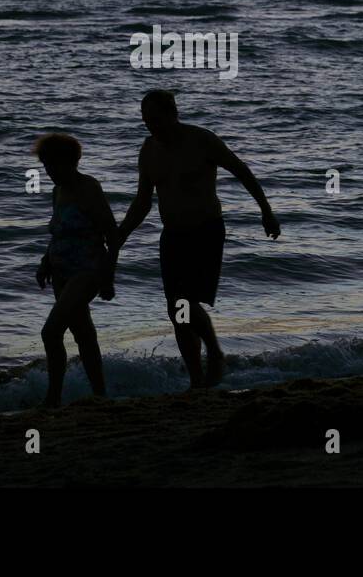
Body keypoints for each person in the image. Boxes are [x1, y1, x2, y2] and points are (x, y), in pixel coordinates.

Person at [117, 90, 280, 389]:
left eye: (155, 119)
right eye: (145, 120)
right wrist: (121, 234)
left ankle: (215, 353)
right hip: (173, 235)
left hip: (206, 230)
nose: (150, 125)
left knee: (186, 302)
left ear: (172, 114)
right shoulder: (149, 149)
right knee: (175, 309)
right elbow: (142, 202)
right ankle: (197, 379)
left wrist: (266, 211)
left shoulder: (201, 140)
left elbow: (241, 171)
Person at [33, 133, 118, 408]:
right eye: (45, 166)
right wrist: (45, 262)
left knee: (51, 331)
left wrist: (108, 279)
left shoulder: (89, 188)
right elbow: (57, 230)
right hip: (60, 270)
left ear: (71, 162)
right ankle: (100, 394)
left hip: (87, 269)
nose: (49, 172)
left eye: (53, 165)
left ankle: (53, 397)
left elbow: (111, 234)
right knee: (83, 334)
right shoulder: (58, 191)